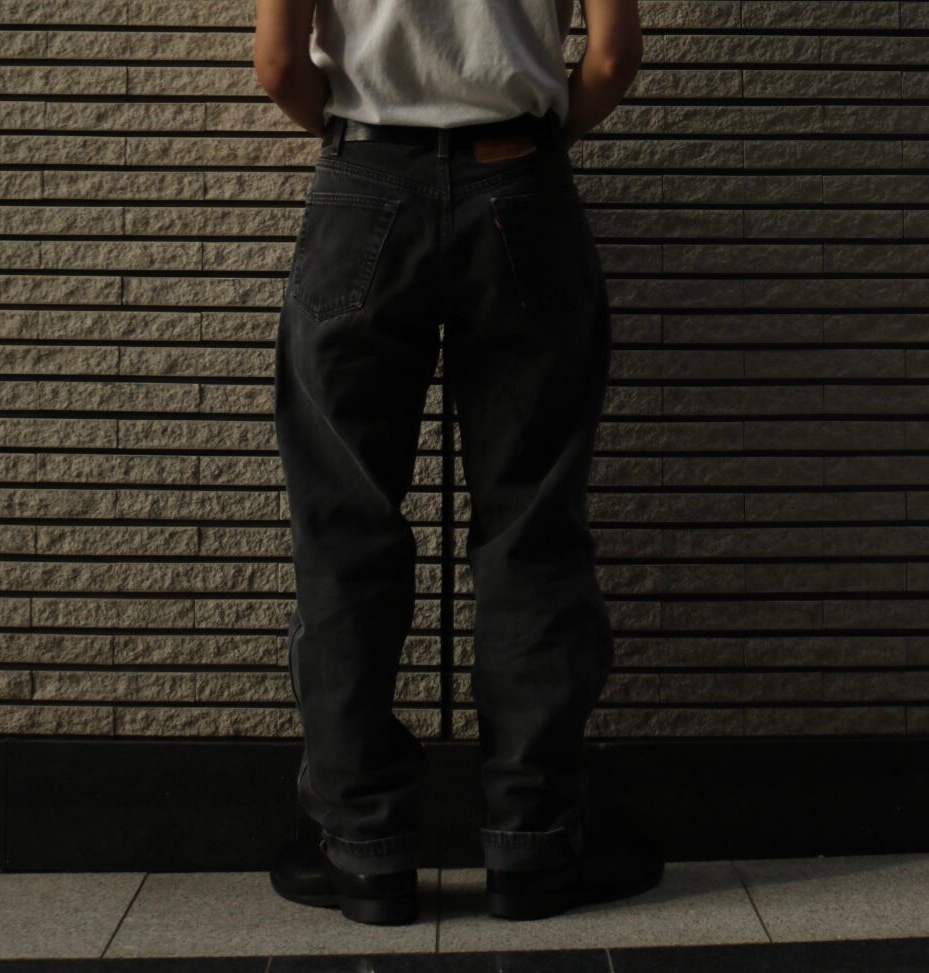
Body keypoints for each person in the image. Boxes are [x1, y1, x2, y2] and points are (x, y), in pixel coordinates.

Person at [253, 0, 659, 926]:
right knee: (531, 529)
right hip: (520, 183)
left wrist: (375, 145)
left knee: (344, 529)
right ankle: (533, 845)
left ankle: (364, 852)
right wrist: (526, 144)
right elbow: (611, 57)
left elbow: (278, 65)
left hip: (363, 183)